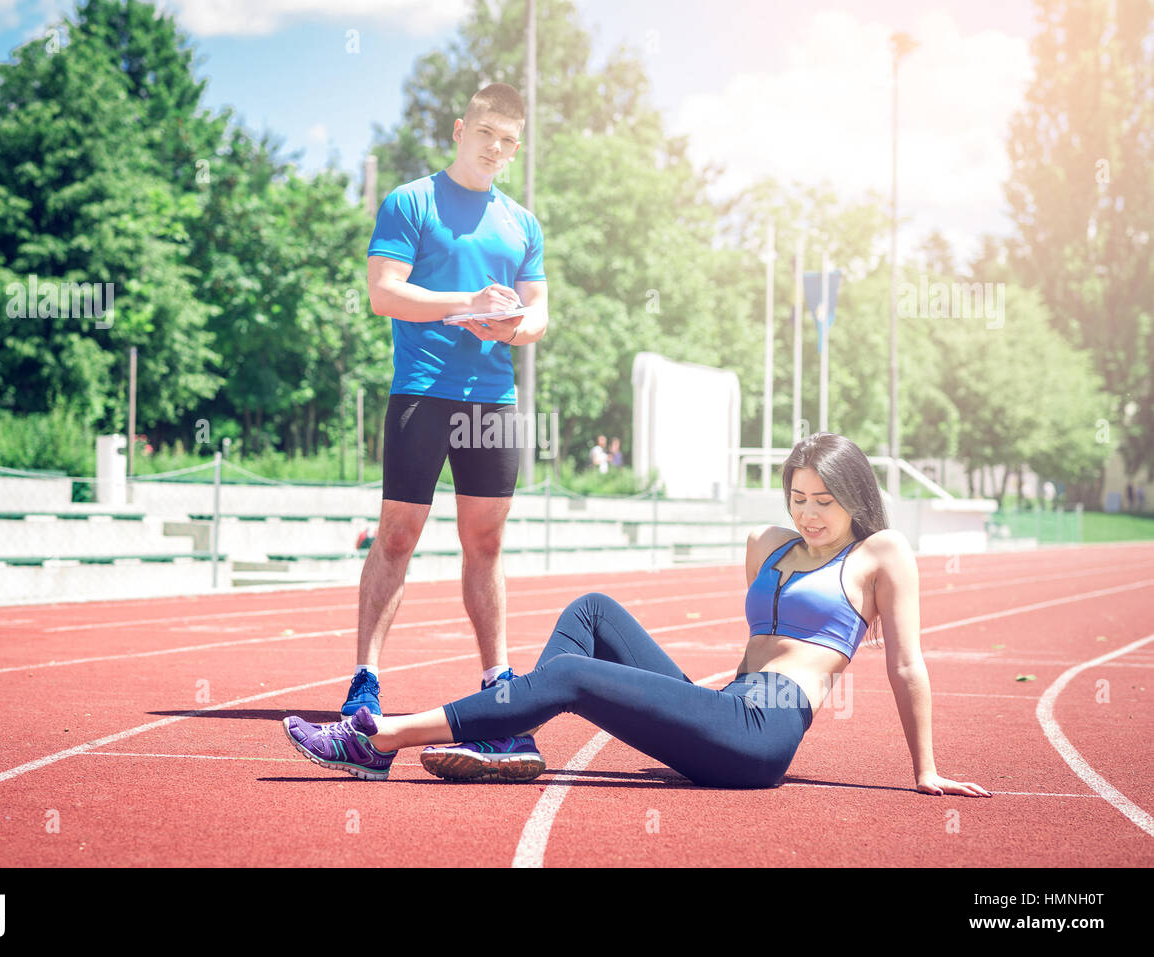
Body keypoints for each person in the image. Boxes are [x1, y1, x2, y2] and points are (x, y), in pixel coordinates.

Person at [285, 432, 992, 796]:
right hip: (725, 705)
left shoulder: (882, 553)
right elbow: (755, 645)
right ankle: (511, 738)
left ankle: (379, 740)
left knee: (572, 674)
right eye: (798, 497)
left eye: (824, 501)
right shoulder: (768, 544)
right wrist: (709, 698)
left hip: (762, 733)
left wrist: (924, 768)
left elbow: (906, 664)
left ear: (854, 496)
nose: (808, 513)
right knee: (592, 611)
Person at [343, 83, 549, 767]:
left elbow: (540, 313)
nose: (496, 148)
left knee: (485, 544)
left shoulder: (522, 222)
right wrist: (466, 304)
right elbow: (383, 292)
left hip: (492, 399)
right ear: (461, 128)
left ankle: (497, 683)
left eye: (509, 141)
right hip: (422, 394)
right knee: (398, 536)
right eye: (486, 132)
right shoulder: (410, 201)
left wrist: (513, 325)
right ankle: (364, 681)